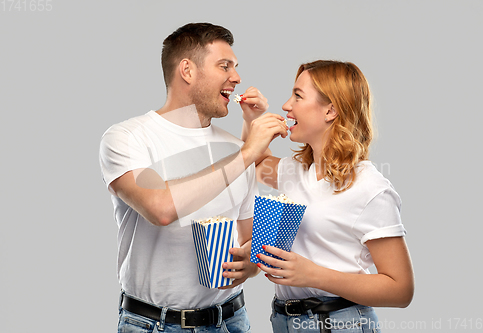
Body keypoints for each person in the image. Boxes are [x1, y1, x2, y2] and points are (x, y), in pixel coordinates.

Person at [99, 22, 275, 332]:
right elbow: (161, 209)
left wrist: (252, 263)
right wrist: (248, 154)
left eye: (235, 68)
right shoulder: (127, 138)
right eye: (225, 66)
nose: (236, 78)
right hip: (156, 324)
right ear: (187, 71)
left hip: (234, 320)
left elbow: (247, 238)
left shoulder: (235, 148)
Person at [241, 60, 415, 332]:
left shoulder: (370, 189)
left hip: (338, 323)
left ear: (331, 110)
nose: (286, 106)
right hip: (284, 321)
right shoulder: (296, 171)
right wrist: (252, 119)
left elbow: (400, 290)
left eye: (298, 96)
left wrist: (312, 275)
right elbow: (254, 161)